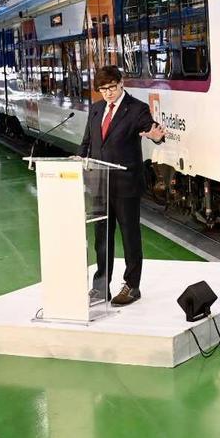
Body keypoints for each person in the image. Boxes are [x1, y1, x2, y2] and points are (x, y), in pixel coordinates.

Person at [79, 65, 165, 306]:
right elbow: (87, 143)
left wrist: (155, 135)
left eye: (111, 88)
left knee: (130, 237)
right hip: (100, 185)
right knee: (102, 239)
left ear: (121, 83)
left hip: (126, 185)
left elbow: (153, 130)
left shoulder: (137, 109)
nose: (107, 93)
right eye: (103, 89)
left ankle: (132, 286)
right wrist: (78, 158)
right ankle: (100, 286)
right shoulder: (96, 110)